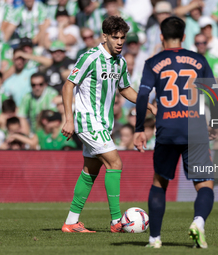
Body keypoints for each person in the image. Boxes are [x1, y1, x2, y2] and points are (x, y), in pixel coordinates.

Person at [61, 16, 156, 233]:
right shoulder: (90, 57)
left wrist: (147, 104)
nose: (120, 42)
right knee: (115, 163)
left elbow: (125, 89)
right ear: (105, 36)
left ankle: (71, 222)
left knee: (90, 171)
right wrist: (68, 118)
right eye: (115, 37)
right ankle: (116, 222)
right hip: (87, 121)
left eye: (123, 37)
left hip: (103, 124)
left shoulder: (120, 62)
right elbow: (68, 86)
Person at [134, 16, 218, 248]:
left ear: (161, 37)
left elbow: (142, 96)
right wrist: (214, 124)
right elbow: (214, 94)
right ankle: (199, 222)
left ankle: (154, 239)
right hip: (195, 128)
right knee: (205, 184)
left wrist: (139, 129)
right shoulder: (199, 60)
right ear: (184, 37)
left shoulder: (152, 62)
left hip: (167, 128)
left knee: (159, 182)